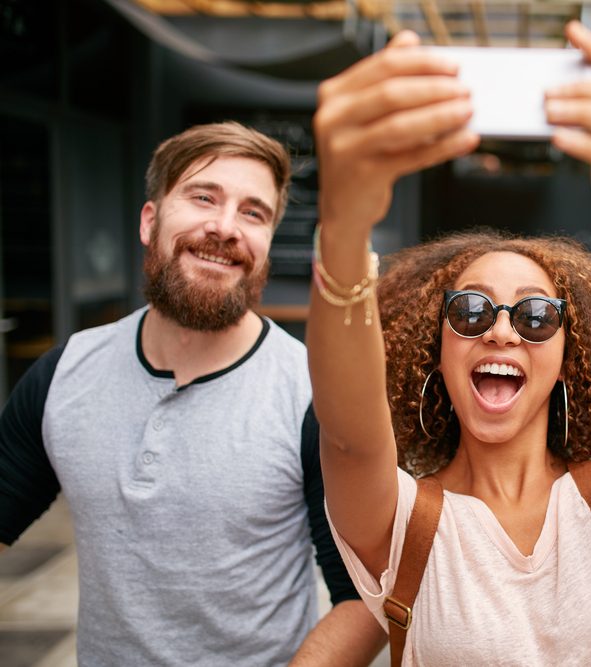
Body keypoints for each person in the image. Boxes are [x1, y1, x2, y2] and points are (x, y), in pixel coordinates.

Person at [308, 21, 591, 665]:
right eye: (471, 309)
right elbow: (349, 435)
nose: (502, 329)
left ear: (569, 358)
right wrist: (344, 227)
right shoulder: (403, 523)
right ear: (439, 349)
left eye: (537, 316)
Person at [0, 122, 386, 666]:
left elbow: (366, 596)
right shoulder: (63, 373)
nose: (225, 227)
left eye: (254, 212)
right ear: (149, 221)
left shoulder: (312, 395)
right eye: (203, 197)